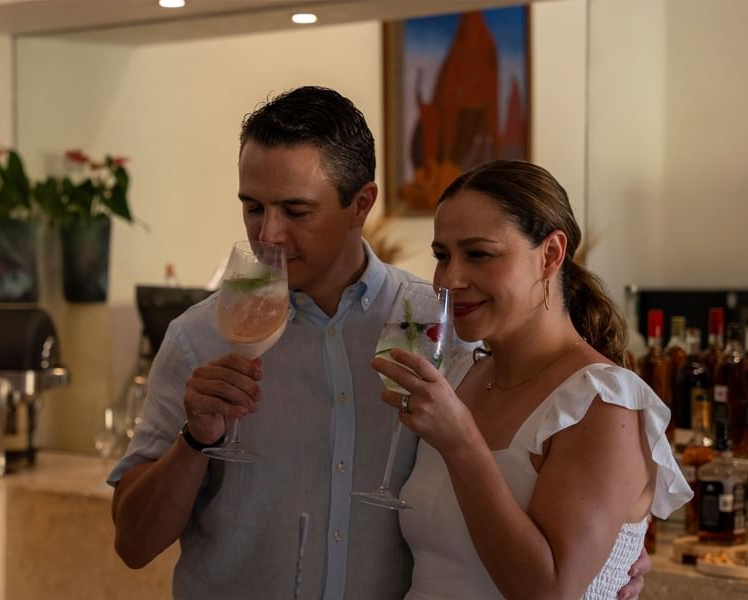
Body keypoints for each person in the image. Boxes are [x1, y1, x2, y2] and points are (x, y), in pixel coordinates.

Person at [110, 87, 650, 599]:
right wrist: (193, 443)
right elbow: (132, 546)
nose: (267, 235)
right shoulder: (199, 337)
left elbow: (545, 491)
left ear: (361, 204)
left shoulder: (440, 327)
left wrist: (618, 550)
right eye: (253, 207)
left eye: (296, 211)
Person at [373, 160, 692, 599]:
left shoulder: (602, 403)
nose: (449, 280)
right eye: (442, 256)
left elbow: (549, 591)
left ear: (551, 255)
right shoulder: (461, 371)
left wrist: (462, 442)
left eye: (479, 254)